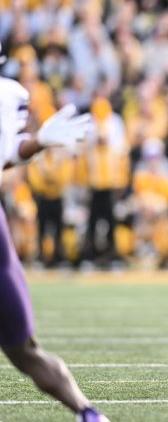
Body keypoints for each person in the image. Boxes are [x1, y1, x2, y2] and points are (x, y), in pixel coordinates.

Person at [0, 76, 109, 421]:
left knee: (23, 349)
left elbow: (6, 154)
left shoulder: (7, 94)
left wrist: (39, 142)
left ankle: (87, 413)